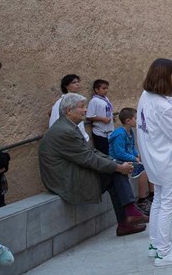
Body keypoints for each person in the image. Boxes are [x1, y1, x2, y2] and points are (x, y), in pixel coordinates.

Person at [39, 93, 147, 237]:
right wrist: (117, 167)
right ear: (68, 111)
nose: (85, 110)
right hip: (64, 180)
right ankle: (129, 215)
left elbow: (91, 151)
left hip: (69, 172)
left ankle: (127, 219)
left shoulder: (68, 127)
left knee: (115, 172)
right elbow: (88, 158)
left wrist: (115, 163)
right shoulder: (64, 131)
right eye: (82, 107)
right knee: (115, 173)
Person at [136, 59, 172, 266]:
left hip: (153, 158)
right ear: (164, 76)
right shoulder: (163, 107)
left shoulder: (147, 96)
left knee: (159, 201)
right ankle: (163, 252)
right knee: (168, 204)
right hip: (165, 160)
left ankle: (156, 244)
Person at [109, 107, 153, 214]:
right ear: (128, 121)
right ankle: (142, 200)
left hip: (127, 159)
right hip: (117, 161)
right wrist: (134, 158)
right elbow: (119, 152)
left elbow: (132, 147)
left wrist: (137, 155)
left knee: (149, 166)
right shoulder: (120, 134)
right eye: (135, 118)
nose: (137, 120)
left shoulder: (131, 131)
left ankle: (152, 195)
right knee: (144, 171)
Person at [48, 74, 89, 141]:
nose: (77, 84)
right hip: (69, 141)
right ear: (66, 86)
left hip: (80, 139)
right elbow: (55, 122)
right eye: (74, 82)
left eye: (78, 82)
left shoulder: (79, 100)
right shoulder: (61, 103)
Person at [86, 79, 114, 154]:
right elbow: (89, 116)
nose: (106, 90)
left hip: (109, 131)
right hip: (100, 132)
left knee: (110, 152)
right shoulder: (94, 101)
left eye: (107, 88)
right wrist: (102, 119)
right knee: (103, 153)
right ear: (96, 89)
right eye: (103, 88)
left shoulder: (106, 99)